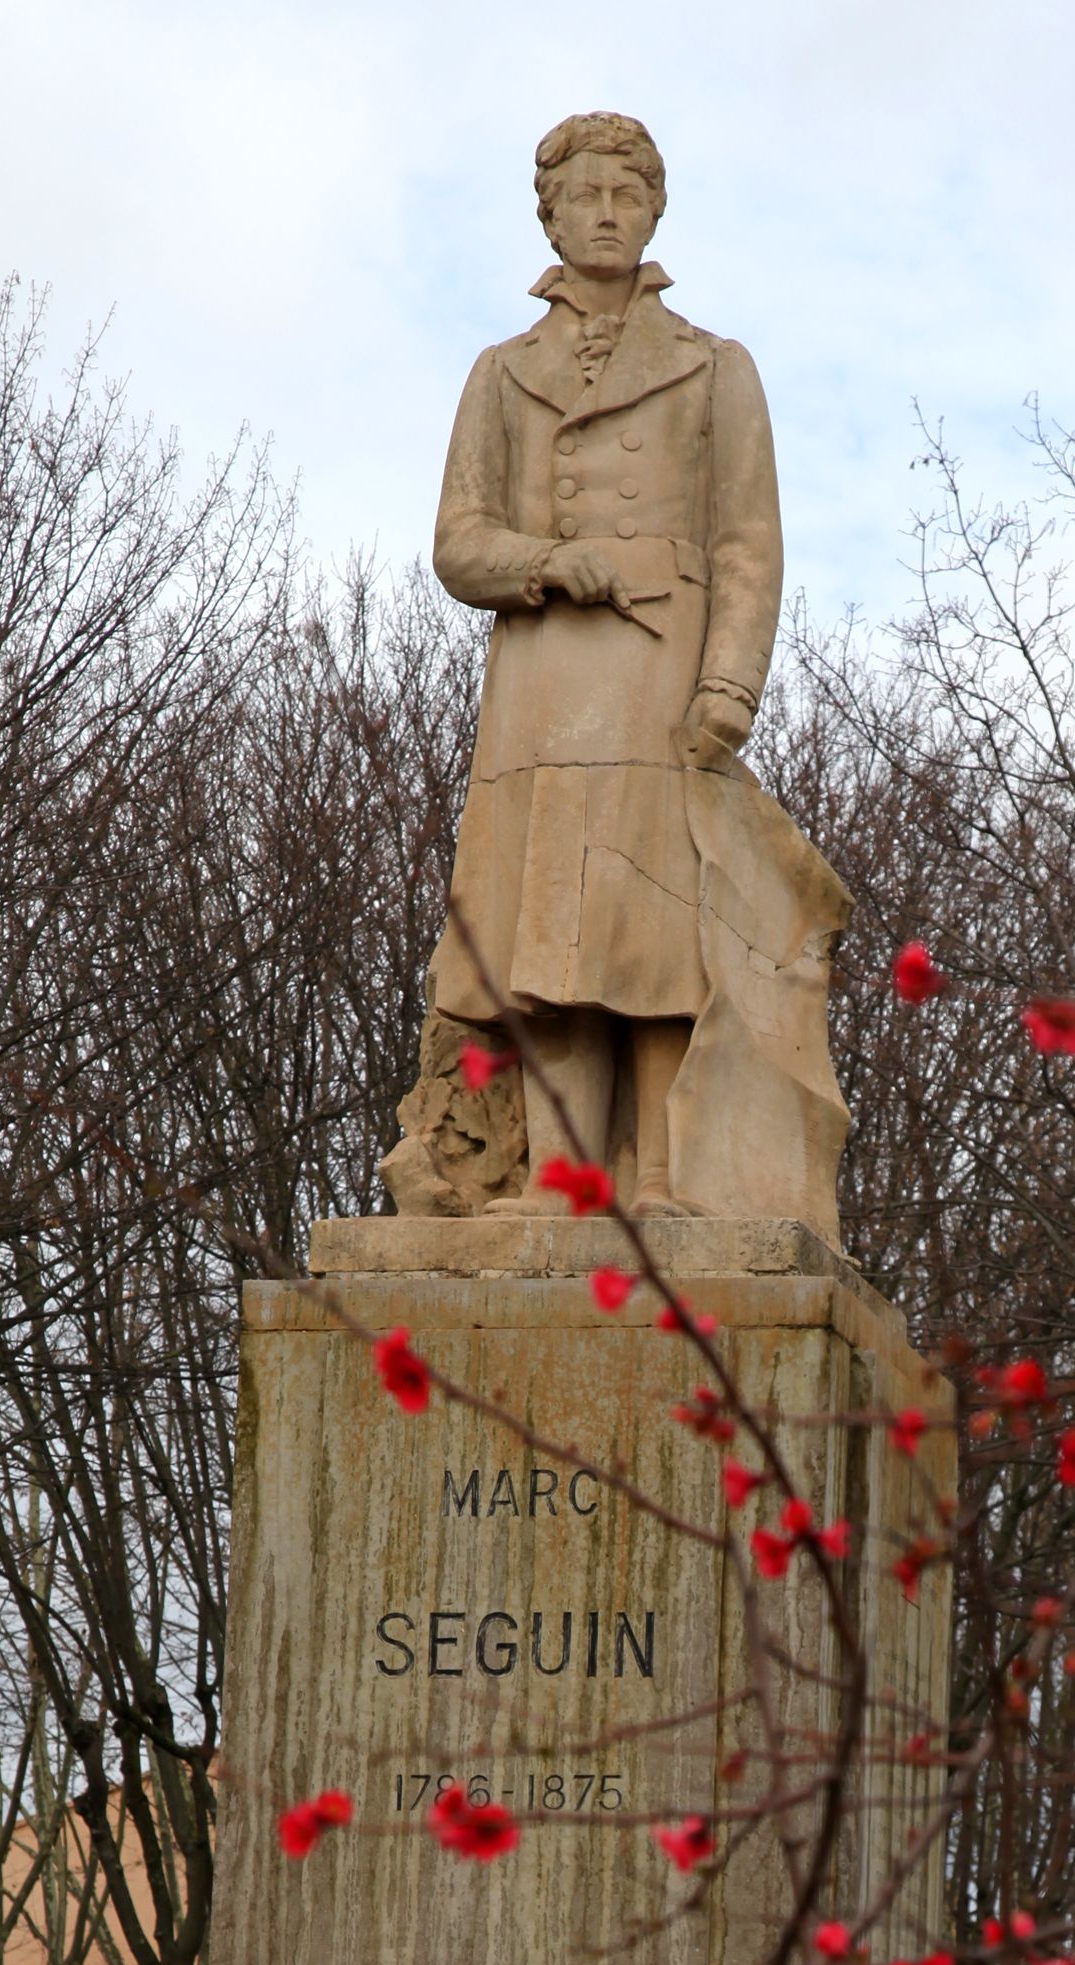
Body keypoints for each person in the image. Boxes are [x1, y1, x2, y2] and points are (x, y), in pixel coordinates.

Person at [422, 111, 847, 1230]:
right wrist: (552, 563)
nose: (607, 215)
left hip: (664, 681)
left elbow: (750, 542)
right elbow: (458, 544)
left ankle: (669, 1183)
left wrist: (730, 688)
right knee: (548, 936)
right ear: (550, 216)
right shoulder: (502, 375)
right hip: (541, 693)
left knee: (661, 940)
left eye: (628, 196)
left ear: (655, 211)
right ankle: (566, 1186)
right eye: (586, 197)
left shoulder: (714, 369)